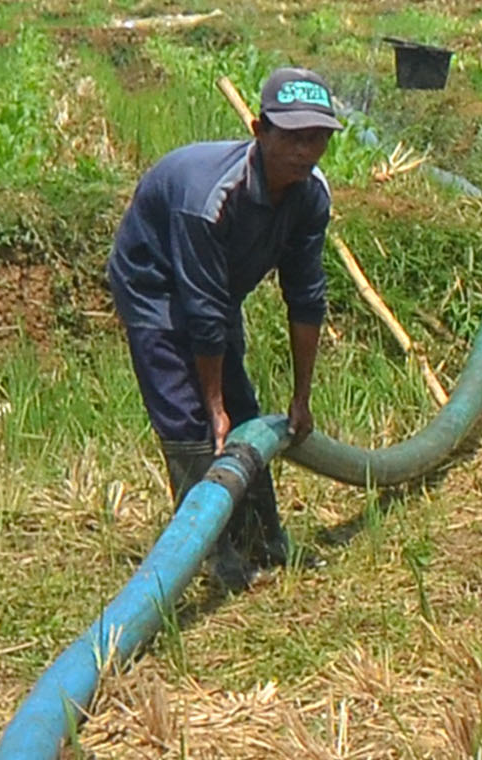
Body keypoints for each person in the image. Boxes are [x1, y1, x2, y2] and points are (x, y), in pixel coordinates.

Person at [106, 68, 340, 593]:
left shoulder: (310, 195)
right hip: (154, 281)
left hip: (216, 286)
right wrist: (212, 407)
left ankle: (264, 541)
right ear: (260, 130)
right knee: (192, 421)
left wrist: (301, 398)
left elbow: (305, 296)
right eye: (293, 137)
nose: (306, 151)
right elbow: (202, 310)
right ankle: (214, 557)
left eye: (318, 138)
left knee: (244, 414)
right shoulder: (210, 197)